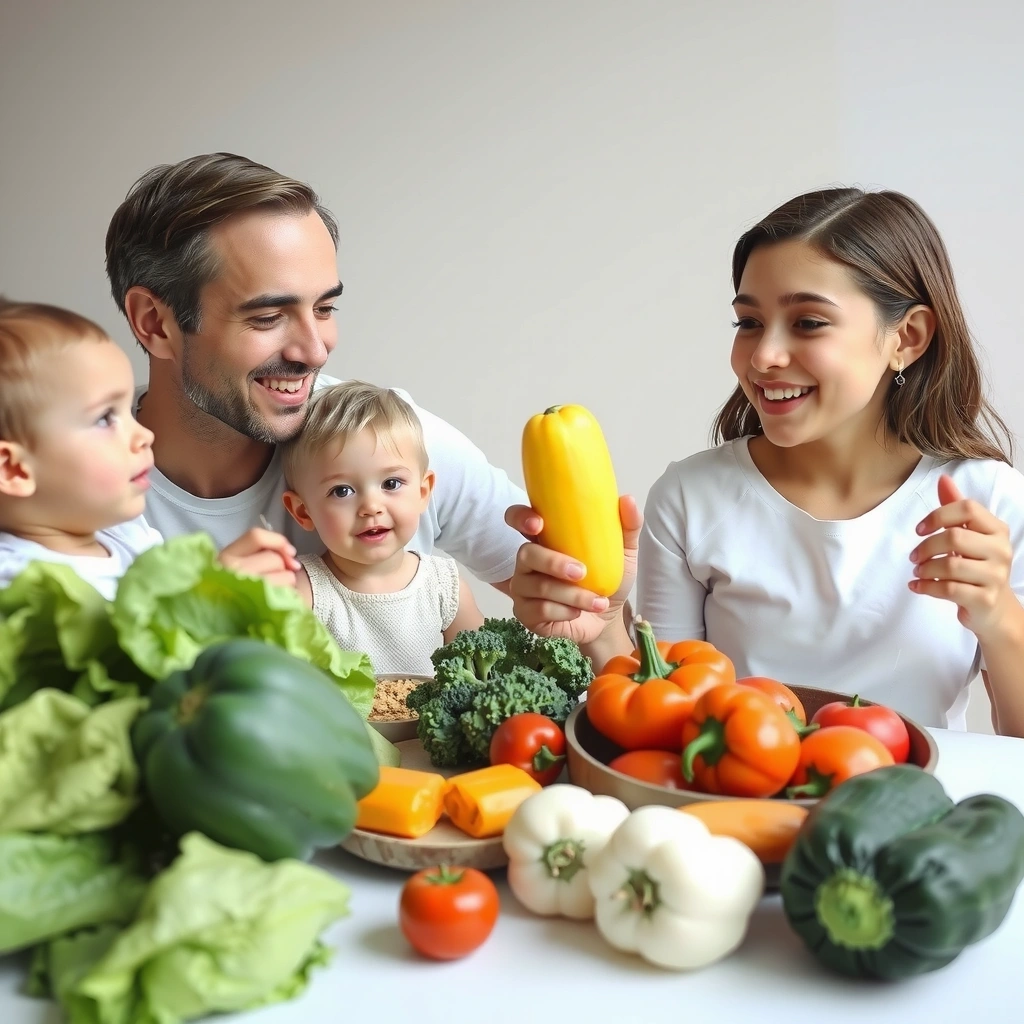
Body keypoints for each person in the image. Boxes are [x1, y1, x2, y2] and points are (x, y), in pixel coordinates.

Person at [506, 187, 1024, 736]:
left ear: (907, 337)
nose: (762, 356)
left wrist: (1000, 620)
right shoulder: (690, 497)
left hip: (926, 813)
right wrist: (606, 627)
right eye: (748, 322)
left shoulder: (988, 502)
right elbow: (666, 730)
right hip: (740, 815)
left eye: (808, 323)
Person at [104, 153, 526, 594]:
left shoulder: (392, 442)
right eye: (268, 316)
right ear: (154, 322)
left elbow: (597, 615)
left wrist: (592, 606)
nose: (316, 349)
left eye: (324, 309)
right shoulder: (66, 495)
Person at [0, 299, 300, 599]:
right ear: (12, 469)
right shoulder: (17, 587)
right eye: (105, 419)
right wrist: (208, 600)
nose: (143, 435)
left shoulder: (125, 533)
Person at [279, 380, 484, 675]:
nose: (371, 507)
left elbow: (486, 677)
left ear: (423, 492)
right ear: (302, 511)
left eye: (391, 484)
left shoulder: (444, 588)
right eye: (341, 491)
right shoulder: (304, 592)